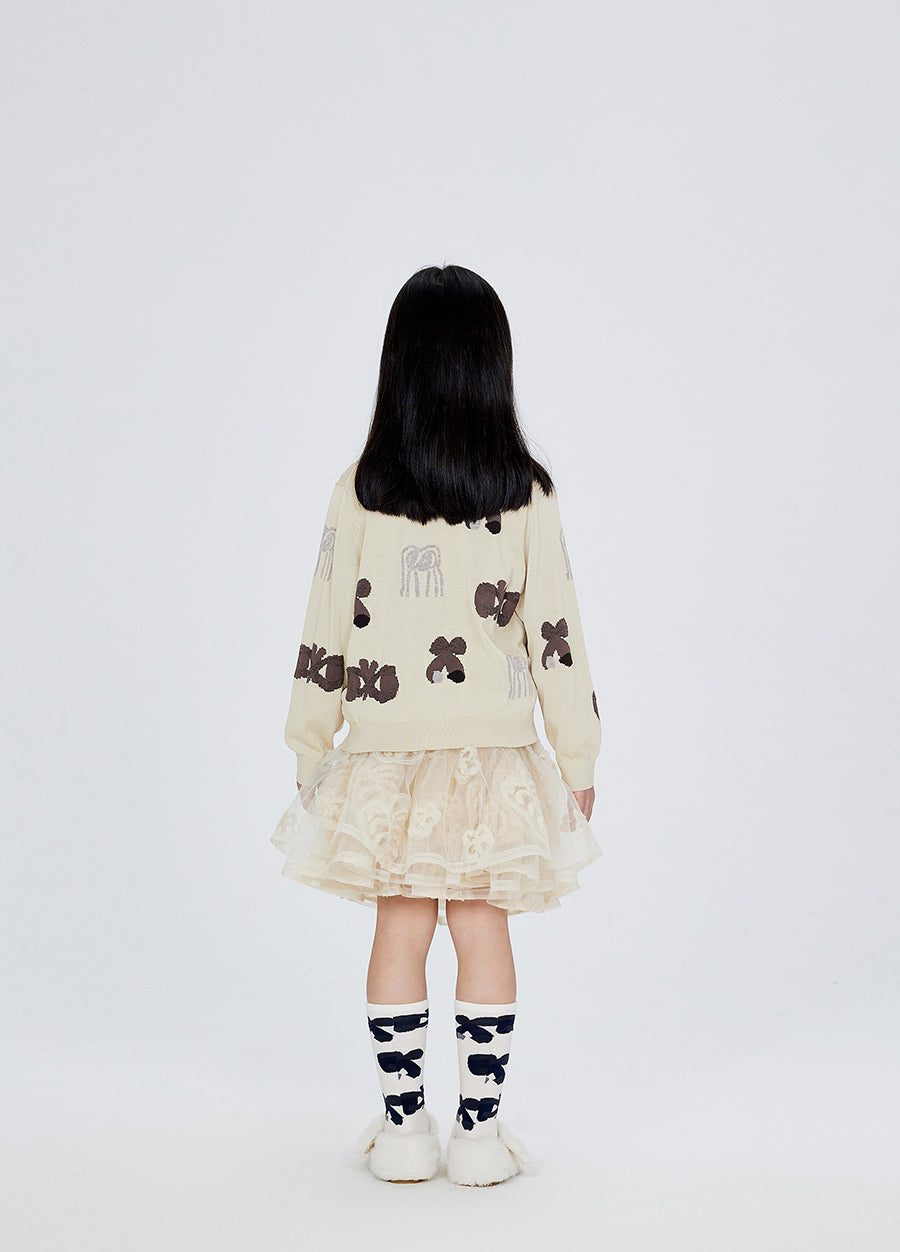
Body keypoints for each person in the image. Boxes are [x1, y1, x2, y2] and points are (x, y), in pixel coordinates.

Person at [269, 263, 603, 1186]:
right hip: (494, 759)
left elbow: (324, 623)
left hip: (384, 756)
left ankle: (404, 1131)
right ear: (492, 370)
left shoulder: (360, 490)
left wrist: (309, 744)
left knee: (402, 926)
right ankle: (481, 1139)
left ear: (399, 368)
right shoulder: (525, 492)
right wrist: (577, 756)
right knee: (484, 928)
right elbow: (558, 634)